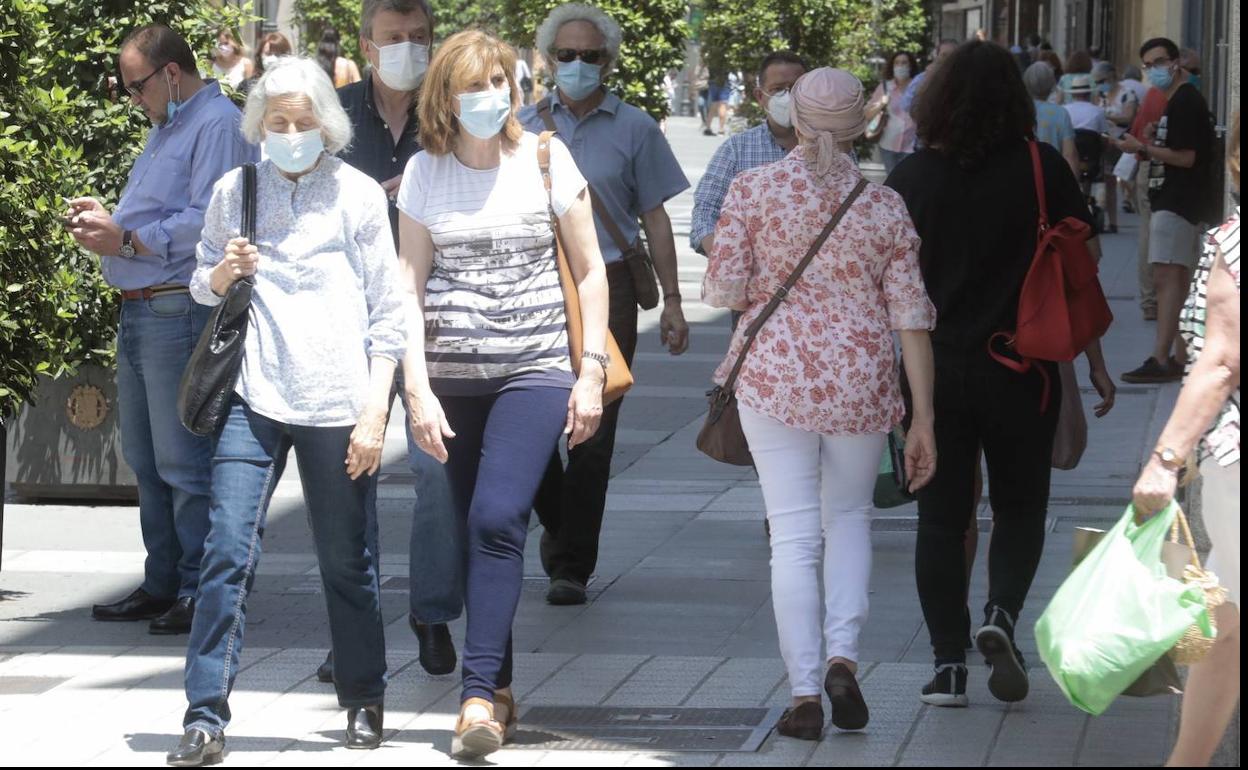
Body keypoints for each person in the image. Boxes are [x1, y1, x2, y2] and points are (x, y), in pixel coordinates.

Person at [170, 57, 404, 765]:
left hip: (337, 403)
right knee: (225, 554)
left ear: (327, 125)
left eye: (305, 121)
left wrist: (374, 414)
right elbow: (201, 287)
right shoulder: (234, 190)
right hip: (254, 395)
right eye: (279, 122)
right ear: (259, 126)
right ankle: (204, 715)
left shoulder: (358, 195)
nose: (293, 132)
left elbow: (389, 313)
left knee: (345, 559)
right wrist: (223, 273)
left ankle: (364, 695)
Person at [395, 30, 610, 759]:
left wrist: (588, 373)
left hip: (536, 368)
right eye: (471, 85)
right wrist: (415, 388)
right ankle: (502, 683)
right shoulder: (425, 172)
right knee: (469, 534)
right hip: (450, 378)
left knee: (497, 515)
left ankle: (476, 698)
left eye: (499, 82)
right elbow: (408, 285)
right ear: (445, 98)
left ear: (514, 89)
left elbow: (589, 271)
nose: (487, 97)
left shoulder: (548, 158)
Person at [705, 67, 937, 739]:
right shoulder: (883, 206)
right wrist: (923, 417)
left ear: (797, 123)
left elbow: (723, 289)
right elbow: (912, 319)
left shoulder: (752, 191)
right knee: (851, 520)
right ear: (865, 127)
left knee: (794, 534)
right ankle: (844, 656)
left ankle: (805, 691)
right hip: (862, 382)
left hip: (774, 380)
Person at [886, 40, 1116, 708]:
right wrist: (1095, 364)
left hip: (931, 376)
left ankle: (947, 668)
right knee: (1020, 506)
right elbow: (1079, 271)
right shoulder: (1042, 168)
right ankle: (1003, 615)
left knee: (940, 518)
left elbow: (886, 287)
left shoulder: (910, 179)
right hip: (1023, 368)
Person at [69, 24, 255, 636]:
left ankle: (200, 589)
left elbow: (210, 219)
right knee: (146, 460)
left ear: (171, 73)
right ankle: (163, 582)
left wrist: (123, 237)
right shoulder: (172, 125)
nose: (133, 98)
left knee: (182, 460)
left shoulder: (216, 124)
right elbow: (160, 217)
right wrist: (112, 226)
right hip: (144, 306)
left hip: (176, 307)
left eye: (137, 85)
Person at [520, 3, 690, 607]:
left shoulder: (637, 129)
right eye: (565, 54)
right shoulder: (520, 125)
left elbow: (656, 218)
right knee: (534, 422)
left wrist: (673, 301)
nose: (576, 65)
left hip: (610, 288)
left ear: (608, 62)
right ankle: (562, 523)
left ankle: (571, 565)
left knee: (593, 427)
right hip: (532, 288)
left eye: (589, 55)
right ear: (548, 59)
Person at [326, 0, 458, 684]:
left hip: (434, 317)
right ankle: (355, 631)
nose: (407, 48)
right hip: (348, 319)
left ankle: (430, 611)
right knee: (353, 473)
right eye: (393, 38)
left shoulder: (455, 112)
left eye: (418, 38)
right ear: (366, 44)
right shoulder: (334, 114)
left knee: (436, 472)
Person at [1132, 111, 1239, 769]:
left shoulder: (1233, 242)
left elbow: (1222, 359)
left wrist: (1165, 457)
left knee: (1224, 621)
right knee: (1223, 619)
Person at [1115, 37, 1216, 384]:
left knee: (1167, 277)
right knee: (1174, 278)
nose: (1154, 70)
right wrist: (1152, 142)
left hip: (1177, 201)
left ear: (1175, 62)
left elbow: (1187, 157)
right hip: (1174, 200)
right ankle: (1178, 355)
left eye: (1160, 62)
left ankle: (1162, 358)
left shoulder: (1186, 101)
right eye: (1148, 65)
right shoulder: (1179, 101)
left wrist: (1142, 146)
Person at [691, 50, 808, 258]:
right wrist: (727, 261)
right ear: (760, 97)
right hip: (749, 282)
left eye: (795, 89)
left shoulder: (832, 150)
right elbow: (705, 214)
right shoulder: (736, 150)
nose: (788, 97)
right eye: (778, 89)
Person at [1096, 61, 1138, 233]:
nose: (1100, 84)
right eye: (1097, 81)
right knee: (1108, 183)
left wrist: (1107, 117)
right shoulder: (1101, 96)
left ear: (1112, 77)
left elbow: (1128, 118)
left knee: (1124, 179)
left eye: (1102, 80)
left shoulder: (1127, 94)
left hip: (1123, 143)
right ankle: (1110, 222)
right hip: (1106, 142)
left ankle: (1116, 218)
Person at [865, 51, 919, 173]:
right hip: (888, 144)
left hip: (912, 145)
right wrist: (882, 103)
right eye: (897, 63)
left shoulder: (918, 86)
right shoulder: (885, 87)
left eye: (904, 63)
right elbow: (867, 114)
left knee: (909, 184)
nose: (900, 66)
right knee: (892, 183)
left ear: (910, 66)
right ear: (892, 66)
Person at [1024, 61, 1079, 176]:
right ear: (1051, 85)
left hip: (1025, 175)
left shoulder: (1019, 111)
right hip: (1053, 176)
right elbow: (1069, 154)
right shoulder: (1060, 113)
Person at [900, 39, 958, 114]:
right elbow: (906, 105)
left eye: (953, 54)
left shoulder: (966, 78)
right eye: (944, 55)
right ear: (936, 56)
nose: (948, 58)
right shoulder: (923, 77)